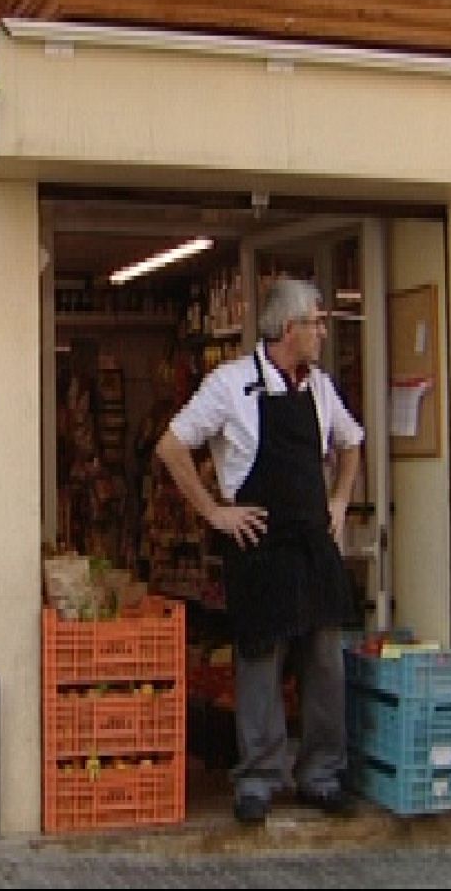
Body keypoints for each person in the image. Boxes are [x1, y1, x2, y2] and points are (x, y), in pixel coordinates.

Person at [154, 276, 364, 824]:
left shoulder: (319, 387)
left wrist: (340, 501)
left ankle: (321, 774)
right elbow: (172, 445)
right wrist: (213, 511)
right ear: (290, 328)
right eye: (318, 321)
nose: (323, 331)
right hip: (258, 543)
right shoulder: (229, 384)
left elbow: (352, 442)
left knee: (325, 662)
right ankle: (258, 779)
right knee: (260, 661)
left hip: (312, 546)